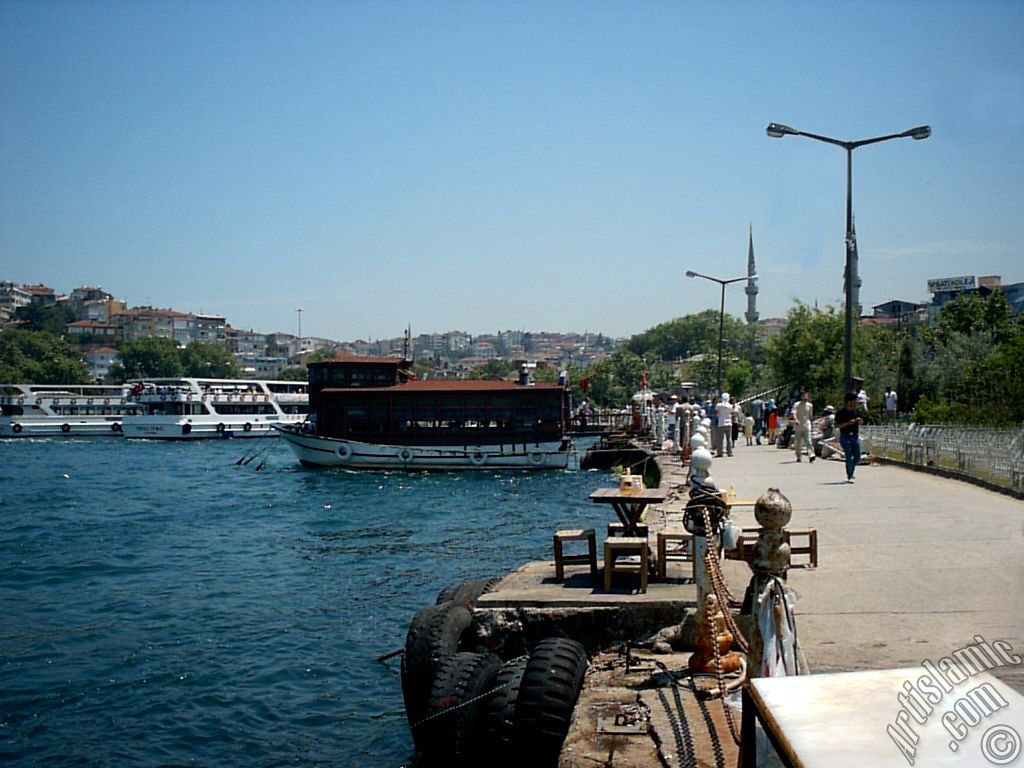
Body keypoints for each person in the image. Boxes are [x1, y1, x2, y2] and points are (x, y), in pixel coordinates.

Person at [835, 392, 865, 483]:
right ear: (849, 402)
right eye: (854, 401)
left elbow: (861, 421)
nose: (856, 403)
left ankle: (851, 469)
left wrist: (860, 421)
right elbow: (837, 425)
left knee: (857, 456)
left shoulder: (856, 412)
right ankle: (850, 475)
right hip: (845, 436)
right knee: (849, 456)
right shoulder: (840, 413)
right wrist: (848, 423)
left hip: (855, 436)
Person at [792, 391, 814, 462]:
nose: (805, 397)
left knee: (808, 441)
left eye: (806, 396)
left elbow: (810, 416)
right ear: (801, 397)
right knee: (798, 443)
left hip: (807, 425)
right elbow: (794, 413)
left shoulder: (810, 405)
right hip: (798, 426)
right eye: (803, 396)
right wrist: (796, 420)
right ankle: (799, 456)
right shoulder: (796, 405)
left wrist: (812, 424)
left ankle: (811, 455)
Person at [714, 393, 734, 458]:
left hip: (721, 423)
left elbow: (716, 412)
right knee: (729, 439)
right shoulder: (730, 406)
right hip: (729, 423)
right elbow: (732, 412)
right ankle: (730, 452)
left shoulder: (719, 405)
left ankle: (720, 452)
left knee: (720, 439)